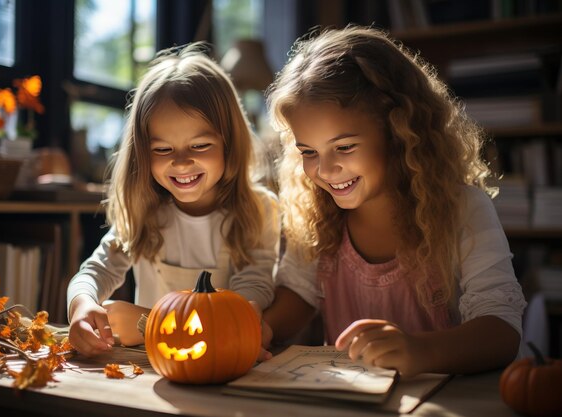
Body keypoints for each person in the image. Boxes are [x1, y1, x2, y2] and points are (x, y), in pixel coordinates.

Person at [262, 26, 526, 377]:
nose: (325, 170)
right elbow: (298, 292)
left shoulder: (464, 209)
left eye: (344, 147)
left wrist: (420, 351)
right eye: (308, 152)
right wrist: (259, 331)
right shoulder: (314, 212)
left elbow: (502, 331)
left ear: (399, 132)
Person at [67, 43, 280, 356]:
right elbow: (95, 272)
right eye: (163, 150)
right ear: (142, 153)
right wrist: (82, 304)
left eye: (199, 146)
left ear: (229, 143)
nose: (181, 163)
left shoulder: (257, 210)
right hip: (148, 367)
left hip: (221, 355)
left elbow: (252, 295)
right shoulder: (145, 212)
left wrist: (146, 322)